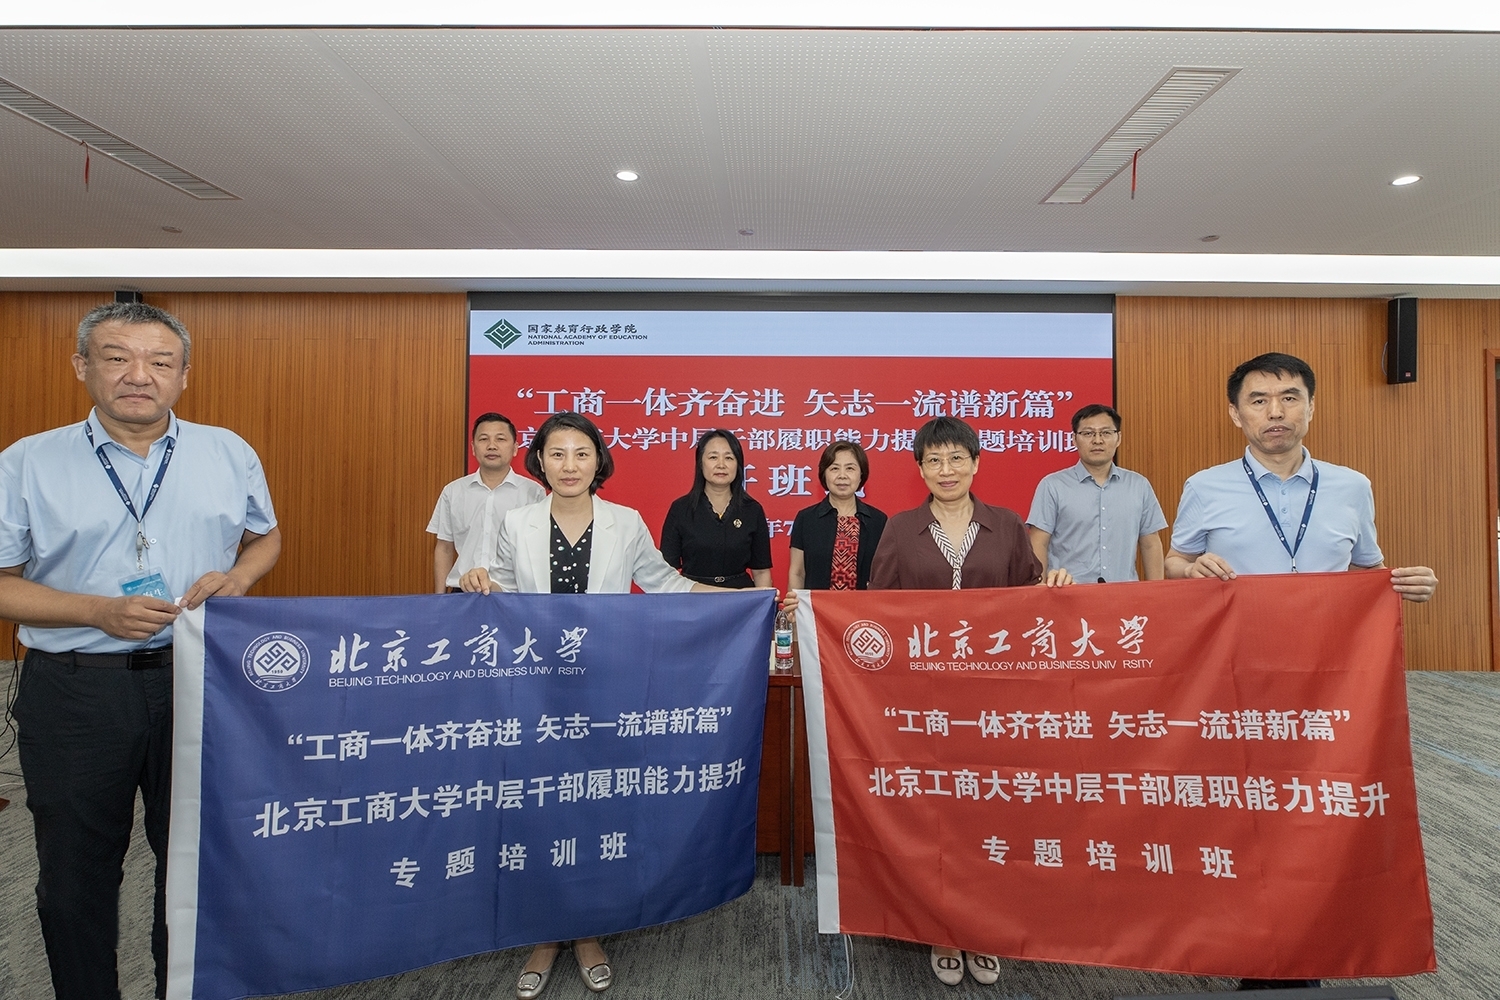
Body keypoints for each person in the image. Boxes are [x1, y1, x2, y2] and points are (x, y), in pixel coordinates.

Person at [0, 301, 282, 1000]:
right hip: (77, 689)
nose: (139, 375)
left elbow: (265, 536)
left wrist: (240, 577)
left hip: (201, 682)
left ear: (184, 375)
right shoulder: (27, 461)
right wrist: (96, 611)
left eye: (160, 361)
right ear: (82, 366)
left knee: (193, 863)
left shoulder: (228, 450)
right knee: (75, 873)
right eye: (117, 357)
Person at [460, 412, 794, 998]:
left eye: (581, 453)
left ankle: (588, 930)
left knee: (592, 809)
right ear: (539, 462)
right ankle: (545, 933)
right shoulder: (517, 520)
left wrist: (752, 601)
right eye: (557, 454)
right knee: (539, 810)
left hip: (604, 689)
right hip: (535, 693)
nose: (569, 465)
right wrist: (478, 580)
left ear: (599, 461)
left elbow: (671, 585)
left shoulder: (627, 521)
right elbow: (502, 587)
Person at [1164, 352, 1437, 991]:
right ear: (1235, 414)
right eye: (1258, 400)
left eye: (1289, 397)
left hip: (1327, 687)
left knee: (1317, 812)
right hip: (1238, 683)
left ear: (1311, 407)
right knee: (1246, 814)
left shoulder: (1351, 486)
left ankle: (1305, 946)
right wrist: (1191, 568)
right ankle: (1251, 948)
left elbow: (1366, 570)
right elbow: (1173, 563)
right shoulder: (1206, 485)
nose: (1275, 412)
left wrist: (1403, 584)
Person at [868, 416, 1070, 988]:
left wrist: (1053, 589)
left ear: (977, 463)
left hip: (993, 700)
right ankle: (941, 928)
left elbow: (1028, 597)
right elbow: (878, 608)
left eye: (957, 458)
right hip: (926, 700)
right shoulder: (900, 528)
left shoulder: (1006, 525)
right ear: (920, 470)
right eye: (934, 460)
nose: (947, 470)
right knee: (936, 817)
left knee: (989, 813)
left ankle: (983, 928)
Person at [1026, 403, 1167, 583]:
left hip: (1123, 593)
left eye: (1106, 433)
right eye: (1088, 433)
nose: (1097, 440)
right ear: (1074, 439)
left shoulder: (1139, 485)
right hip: (1068, 592)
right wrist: (1040, 589)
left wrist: (1156, 592)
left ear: (1118, 438)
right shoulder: (1053, 486)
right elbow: (1039, 542)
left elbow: (1150, 544)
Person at [427, 411, 545, 593]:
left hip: (513, 593)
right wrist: (439, 599)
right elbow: (444, 548)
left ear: (515, 448)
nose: (491, 446)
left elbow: (540, 550)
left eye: (500, 439)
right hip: (463, 592)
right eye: (483, 439)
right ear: (473, 448)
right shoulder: (453, 491)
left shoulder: (533, 493)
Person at [659, 430, 772, 589]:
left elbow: (761, 572)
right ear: (700, 463)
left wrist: (764, 602)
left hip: (740, 596)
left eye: (729, 458)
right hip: (693, 594)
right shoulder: (681, 509)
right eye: (713, 457)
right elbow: (667, 570)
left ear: (738, 465)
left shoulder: (752, 510)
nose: (721, 465)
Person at [788, 440, 887, 590]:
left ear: (861, 474)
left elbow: (884, 575)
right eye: (834, 468)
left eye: (850, 468)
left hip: (865, 605)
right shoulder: (806, 519)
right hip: (817, 604)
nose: (842, 475)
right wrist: (796, 603)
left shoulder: (878, 521)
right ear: (824, 474)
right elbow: (797, 573)